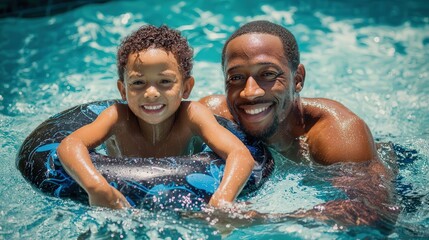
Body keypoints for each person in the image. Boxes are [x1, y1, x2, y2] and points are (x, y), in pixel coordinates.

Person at [200, 20, 398, 226]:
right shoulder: (214, 116)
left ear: (298, 79)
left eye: (268, 74)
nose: (250, 92)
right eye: (236, 77)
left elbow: (375, 216)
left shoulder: (338, 134)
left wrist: (253, 219)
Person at [57, 25, 255, 210]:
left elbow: (239, 153)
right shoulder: (117, 117)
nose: (151, 92)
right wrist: (97, 187)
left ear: (186, 88)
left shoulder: (192, 116)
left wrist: (223, 198)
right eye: (138, 82)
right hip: (124, 202)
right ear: (123, 90)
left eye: (165, 81)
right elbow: (70, 144)